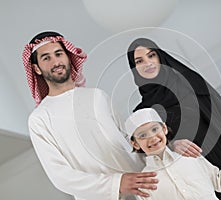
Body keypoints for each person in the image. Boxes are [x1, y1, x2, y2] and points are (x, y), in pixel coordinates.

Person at [126, 38, 221, 200]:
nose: (148, 63)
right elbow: (150, 154)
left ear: (160, 57)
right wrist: (171, 144)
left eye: (152, 55)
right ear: (134, 69)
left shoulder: (192, 82)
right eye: (139, 61)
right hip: (200, 182)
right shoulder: (144, 112)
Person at [22, 31, 159, 200]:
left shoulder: (98, 96)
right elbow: (61, 176)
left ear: (68, 57)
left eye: (59, 54)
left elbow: (131, 141)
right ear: (36, 68)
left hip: (148, 190)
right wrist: (116, 184)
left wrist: (170, 147)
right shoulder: (40, 119)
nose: (56, 62)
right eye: (46, 58)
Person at [125, 108, 221, 200]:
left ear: (164, 129)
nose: (152, 137)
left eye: (154, 129)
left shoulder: (188, 157)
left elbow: (220, 182)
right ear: (135, 144)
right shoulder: (144, 182)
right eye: (142, 135)